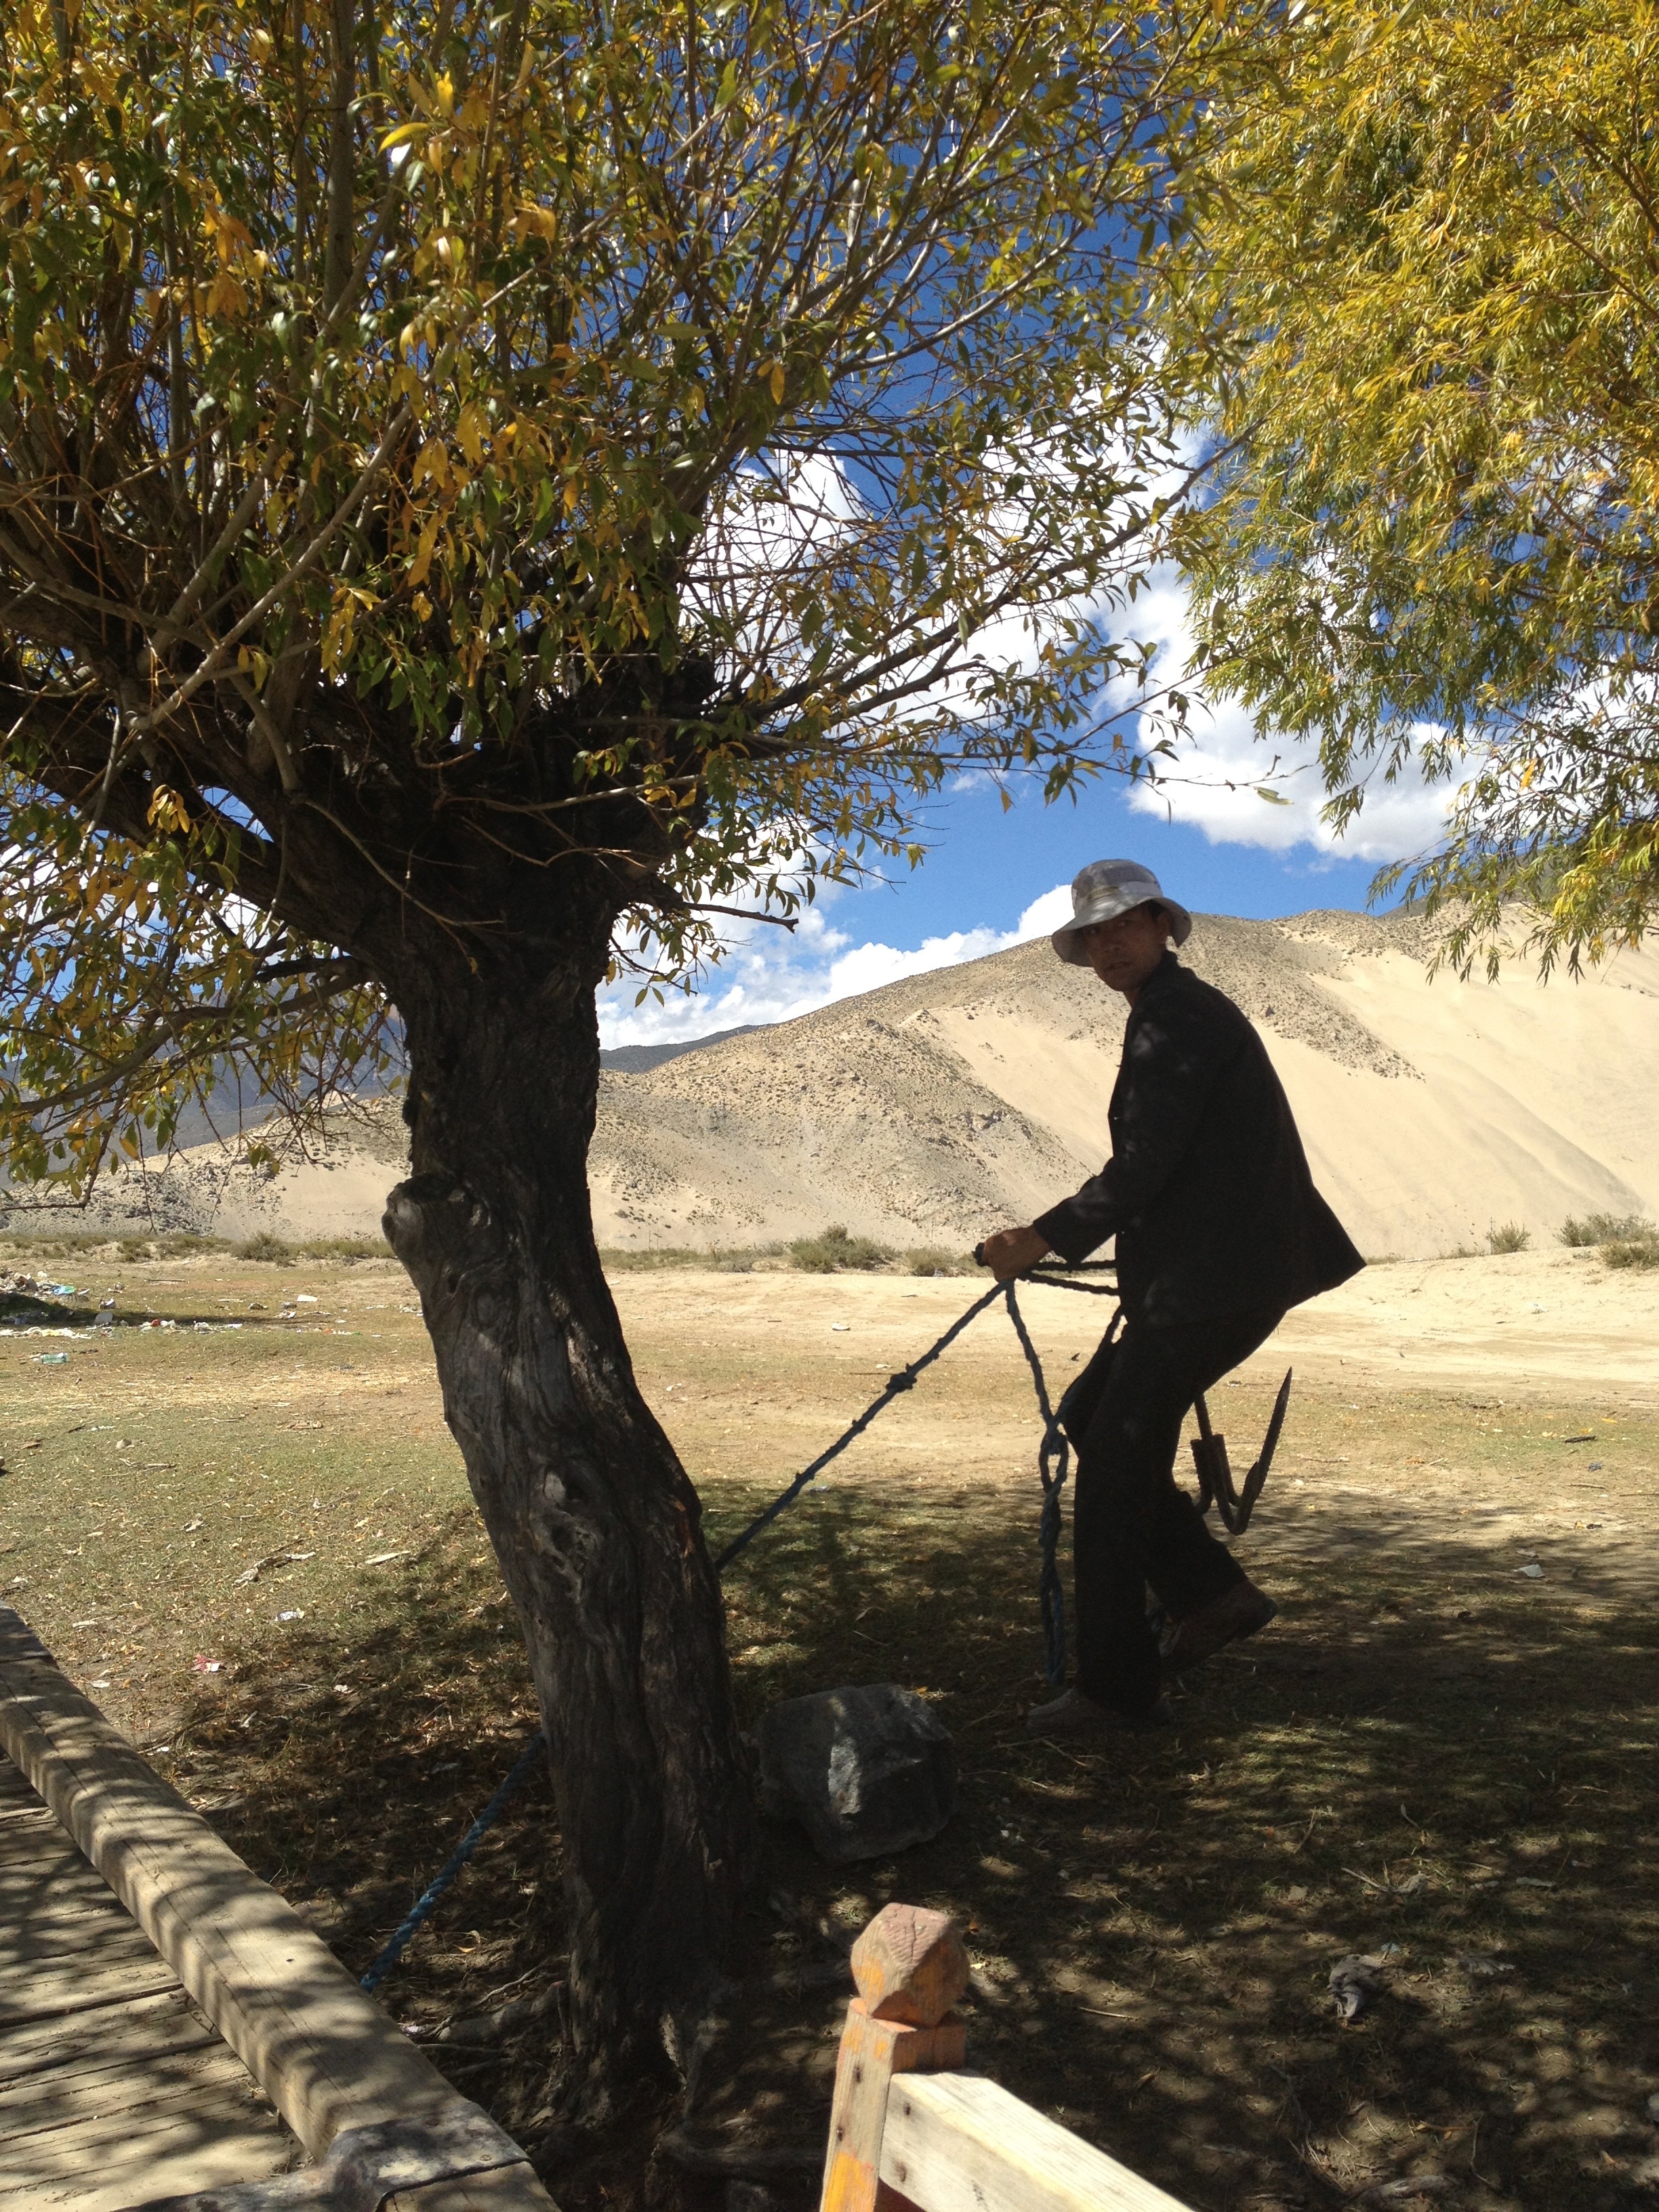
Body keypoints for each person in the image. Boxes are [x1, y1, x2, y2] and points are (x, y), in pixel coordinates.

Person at [979, 859, 1363, 1740]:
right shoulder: (1168, 1013)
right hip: (1210, 1279)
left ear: (1161, 925)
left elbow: (1145, 1166)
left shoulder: (1178, 1018)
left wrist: (1040, 1237)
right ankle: (1213, 1596)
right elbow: (1168, 1167)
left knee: (1116, 1466)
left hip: (1216, 1282)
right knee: (1092, 1417)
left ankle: (1116, 1692)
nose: (1109, 945)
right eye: (1094, 935)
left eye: (1125, 925)